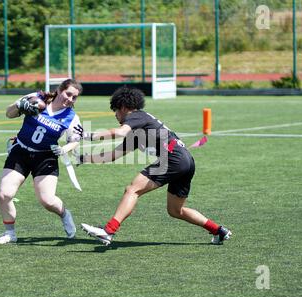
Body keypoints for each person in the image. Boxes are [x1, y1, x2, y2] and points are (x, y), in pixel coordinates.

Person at [79, 86, 232, 246]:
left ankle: (109, 231)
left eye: (116, 111)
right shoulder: (138, 129)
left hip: (173, 159)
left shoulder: (136, 116)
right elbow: (113, 155)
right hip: (186, 160)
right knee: (175, 210)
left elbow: (119, 132)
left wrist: (88, 135)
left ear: (123, 108)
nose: (116, 116)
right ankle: (218, 230)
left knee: (132, 190)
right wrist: (84, 158)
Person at [0, 79, 83, 244]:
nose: (70, 99)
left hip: (45, 157)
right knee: (4, 194)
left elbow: (75, 139)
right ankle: (10, 233)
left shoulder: (72, 117)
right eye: (68, 94)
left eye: (74, 97)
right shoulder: (37, 97)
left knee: (47, 200)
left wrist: (64, 149)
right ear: (59, 90)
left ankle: (64, 214)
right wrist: (20, 106)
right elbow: (9, 113)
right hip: (20, 151)